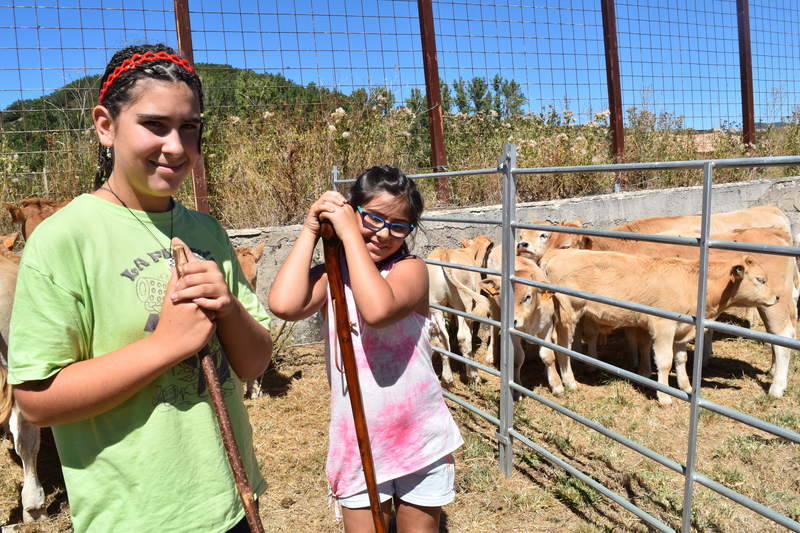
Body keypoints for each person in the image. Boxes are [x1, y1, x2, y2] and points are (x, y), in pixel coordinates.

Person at [7, 43, 272, 533]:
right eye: (155, 125)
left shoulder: (206, 231)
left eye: (189, 128)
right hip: (136, 516)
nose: (176, 145)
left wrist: (230, 309)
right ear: (105, 125)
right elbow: (37, 400)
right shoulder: (65, 239)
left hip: (232, 500)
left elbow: (254, 363)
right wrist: (167, 345)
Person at [268, 166, 463, 533]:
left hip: (418, 435)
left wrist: (350, 235)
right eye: (373, 218)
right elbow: (283, 305)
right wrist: (311, 230)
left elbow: (377, 310)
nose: (384, 233)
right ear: (353, 211)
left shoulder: (411, 270)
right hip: (356, 439)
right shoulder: (333, 275)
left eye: (399, 225)